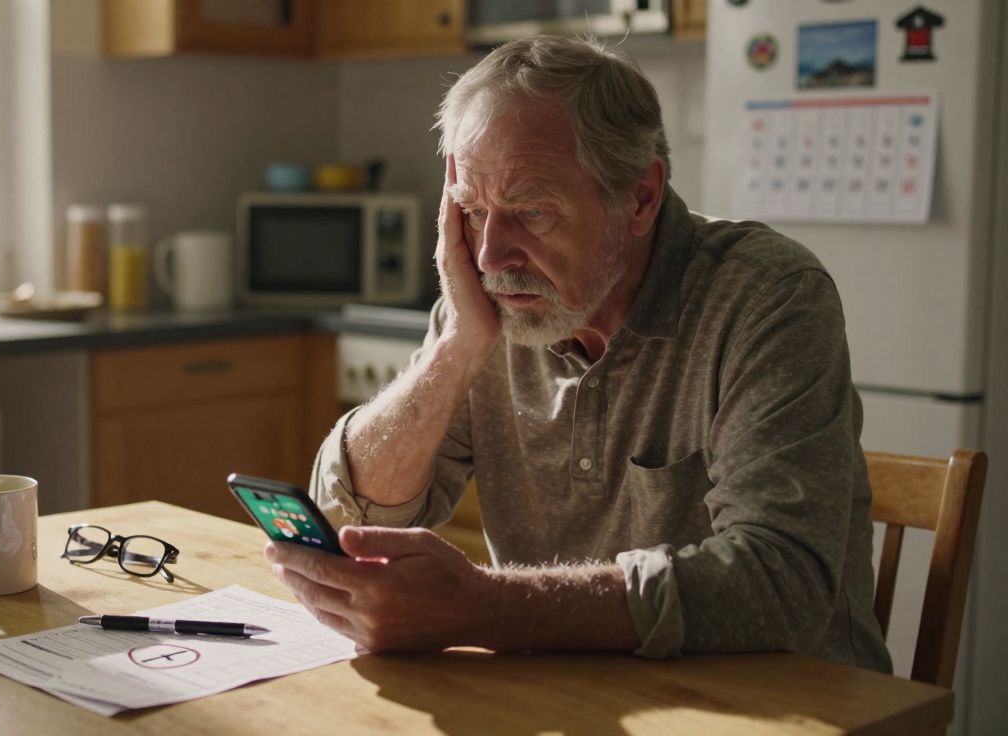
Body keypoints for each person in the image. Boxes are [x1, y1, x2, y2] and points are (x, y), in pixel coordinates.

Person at [266, 35, 892, 672]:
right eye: (472, 211)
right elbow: (344, 520)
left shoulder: (767, 297)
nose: (488, 257)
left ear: (641, 198)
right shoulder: (489, 307)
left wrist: (484, 606)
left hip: (789, 705)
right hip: (574, 693)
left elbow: (782, 585)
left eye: (531, 211)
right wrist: (455, 348)